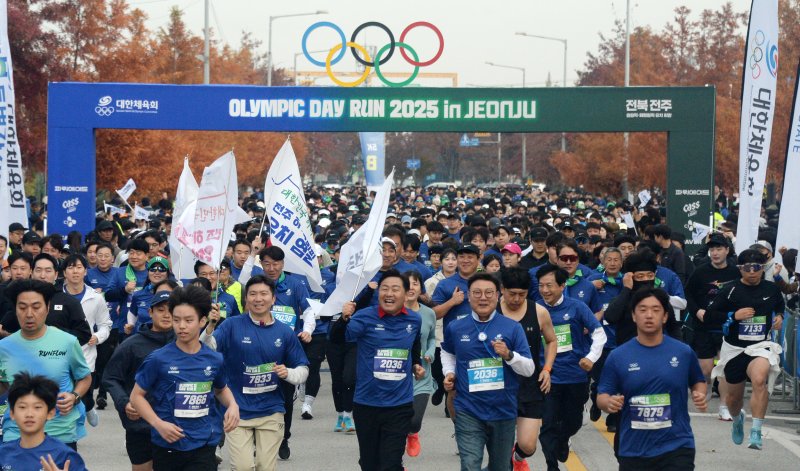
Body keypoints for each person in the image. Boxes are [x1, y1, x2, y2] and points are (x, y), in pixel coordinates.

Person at [203, 275, 309, 471]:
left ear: (273, 298)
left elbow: (303, 369)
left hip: (271, 411)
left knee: (265, 467)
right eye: (252, 294)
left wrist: (288, 373)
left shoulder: (285, 332)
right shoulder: (231, 325)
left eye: (263, 294)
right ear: (246, 299)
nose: (258, 299)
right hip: (237, 411)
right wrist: (210, 326)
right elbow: (205, 351)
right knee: (242, 467)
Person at [130, 285, 240, 471]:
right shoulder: (158, 359)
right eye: (176, 320)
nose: (181, 326)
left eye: (188, 320)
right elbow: (136, 396)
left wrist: (233, 405)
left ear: (202, 321)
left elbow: (221, 389)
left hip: (204, 444)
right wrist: (158, 424)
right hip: (168, 445)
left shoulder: (214, 359)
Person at [598, 288, 707, 470]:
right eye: (643, 310)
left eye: (656, 310)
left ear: (665, 316)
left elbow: (698, 381)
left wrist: (699, 394)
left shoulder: (683, 352)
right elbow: (602, 395)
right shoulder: (618, 356)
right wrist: (608, 403)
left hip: (677, 446)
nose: (649, 315)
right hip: (634, 449)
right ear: (634, 316)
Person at [330, 269, 425, 471]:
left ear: (406, 294)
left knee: (391, 463)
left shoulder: (414, 320)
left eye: (395, 289)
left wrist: (416, 363)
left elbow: (414, 344)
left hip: (400, 404)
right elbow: (337, 340)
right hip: (367, 404)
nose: (389, 294)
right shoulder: (364, 317)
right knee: (369, 464)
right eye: (384, 289)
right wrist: (343, 318)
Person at [441, 272, 535, 471]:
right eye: (477, 293)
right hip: (468, 409)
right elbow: (447, 352)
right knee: (470, 464)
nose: (483, 298)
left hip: (503, 410)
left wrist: (509, 355)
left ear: (498, 295)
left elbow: (529, 369)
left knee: (500, 467)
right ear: (468, 296)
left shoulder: (512, 328)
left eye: (488, 293)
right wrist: (449, 372)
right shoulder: (455, 327)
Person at [706, 249, 785, 450]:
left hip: (760, 346)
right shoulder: (730, 290)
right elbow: (709, 316)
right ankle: (737, 418)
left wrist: (780, 317)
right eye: (747, 268)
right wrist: (733, 316)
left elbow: (780, 305)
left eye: (756, 267)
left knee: (759, 379)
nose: (752, 272)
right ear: (740, 269)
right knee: (733, 399)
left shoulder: (771, 289)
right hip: (734, 348)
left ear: (762, 268)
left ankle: (756, 431)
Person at [0, 279, 93, 447]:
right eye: (22, 307)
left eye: (36, 307)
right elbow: (5, 386)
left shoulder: (67, 342)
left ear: (47, 308)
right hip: (16, 433)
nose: (29, 314)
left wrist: (74, 396)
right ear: (15, 309)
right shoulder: (4, 347)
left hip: (60, 432)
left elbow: (84, 377)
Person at [536, 265, 606, 471]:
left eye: (549, 285)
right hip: (547, 376)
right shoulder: (535, 309)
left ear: (562, 285)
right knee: (548, 424)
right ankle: (552, 466)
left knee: (573, 421)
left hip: (575, 375)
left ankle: (563, 438)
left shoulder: (577, 307)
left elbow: (599, 334)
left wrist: (590, 358)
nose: (545, 290)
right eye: (541, 285)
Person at [103, 290, 175, 471]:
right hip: (141, 425)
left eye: (171, 310)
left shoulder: (184, 343)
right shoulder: (132, 344)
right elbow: (110, 377)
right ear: (150, 312)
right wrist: (124, 402)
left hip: (175, 424)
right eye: (161, 310)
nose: (166, 315)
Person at [258, 246, 315, 460]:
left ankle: (283, 437)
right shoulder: (257, 285)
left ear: (283, 264)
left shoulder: (295, 284)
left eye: (276, 264)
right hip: (260, 347)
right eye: (267, 264)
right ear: (261, 264)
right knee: (260, 391)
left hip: (288, 349)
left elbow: (308, 310)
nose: (271, 268)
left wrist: (307, 331)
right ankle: (260, 438)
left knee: (285, 397)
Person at [497, 267, 557, 471]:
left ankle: (518, 457)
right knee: (501, 447)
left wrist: (547, 369)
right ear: (502, 289)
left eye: (522, 294)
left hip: (530, 384)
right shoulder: (492, 311)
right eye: (512, 293)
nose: (516, 299)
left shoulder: (539, 312)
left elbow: (551, 341)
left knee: (528, 445)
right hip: (499, 385)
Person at [684, 232, 740, 421]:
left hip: (727, 326)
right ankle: (705, 386)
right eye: (712, 249)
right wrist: (697, 311)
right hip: (704, 325)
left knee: (723, 368)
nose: (715, 253)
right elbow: (688, 294)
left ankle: (724, 406)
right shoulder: (700, 271)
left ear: (727, 250)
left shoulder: (735, 272)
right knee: (706, 369)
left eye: (719, 249)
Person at [62, 253, 112, 428]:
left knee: (85, 393)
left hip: (86, 352)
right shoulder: (56, 296)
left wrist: (97, 337)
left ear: (85, 271)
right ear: (64, 272)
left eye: (79, 267)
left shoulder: (96, 297)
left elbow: (105, 324)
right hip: (60, 352)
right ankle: (73, 426)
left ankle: (89, 407)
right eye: (70, 267)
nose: (75, 271)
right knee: (66, 392)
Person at [0, 372, 87, 471]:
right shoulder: (3, 454)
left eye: (37, 407)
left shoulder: (64, 455)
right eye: (22, 407)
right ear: (12, 413)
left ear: (50, 413)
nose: (29, 414)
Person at [402, 271, 437, 458]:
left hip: (421, 375)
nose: (411, 287)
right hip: (398, 375)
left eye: (415, 283)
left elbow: (431, 338)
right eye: (407, 283)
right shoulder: (393, 312)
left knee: (414, 421)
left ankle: (412, 433)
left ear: (421, 288)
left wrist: (430, 352)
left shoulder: (428, 313)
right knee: (398, 419)